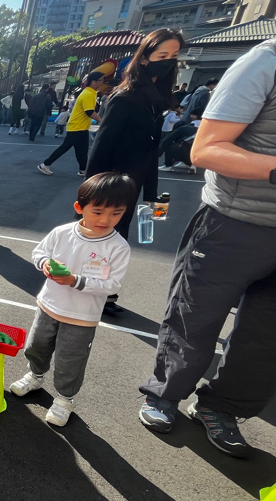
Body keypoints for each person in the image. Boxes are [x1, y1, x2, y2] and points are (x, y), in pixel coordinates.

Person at [137, 27, 276, 457]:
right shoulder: (274, 59)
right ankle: (164, 394)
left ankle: (221, 407)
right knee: (194, 317)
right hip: (234, 221)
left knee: (270, 338)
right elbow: (205, 150)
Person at [8, 172, 135, 426]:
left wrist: (74, 280)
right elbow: (39, 253)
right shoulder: (62, 233)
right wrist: (45, 264)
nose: (106, 220)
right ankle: (35, 376)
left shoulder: (118, 247)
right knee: (36, 346)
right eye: (97, 212)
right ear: (79, 208)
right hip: (48, 306)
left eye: (116, 213)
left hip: (82, 317)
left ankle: (65, 399)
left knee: (71, 359)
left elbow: (112, 285)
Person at [86, 28, 184, 315]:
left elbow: (151, 151)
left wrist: (153, 195)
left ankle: (105, 294)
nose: (168, 62)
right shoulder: (124, 98)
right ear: (144, 58)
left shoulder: (156, 100)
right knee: (102, 242)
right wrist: (90, 195)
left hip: (134, 184)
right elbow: (101, 148)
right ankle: (96, 295)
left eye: (174, 56)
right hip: (111, 185)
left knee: (117, 242)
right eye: (162, 56)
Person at [38, 72, 104, 176]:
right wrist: (102, 121)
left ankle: (83, 169)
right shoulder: (89, 94)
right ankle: (45, 164)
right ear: (93, 82)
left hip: (80, 126)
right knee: (66, 147)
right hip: (77, 126)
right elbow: (89, 112)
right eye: (101, 80)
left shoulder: (89, 92)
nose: (102, 82)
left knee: (82, 150)